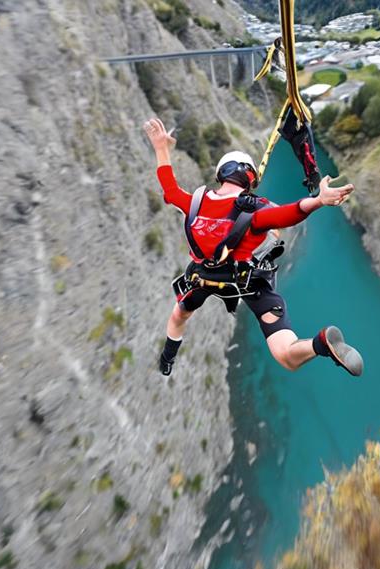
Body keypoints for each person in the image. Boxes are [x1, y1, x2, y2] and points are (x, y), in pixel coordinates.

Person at [143, 117, 363, 378]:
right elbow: (289, 213)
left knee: (179, 316)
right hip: (248, 282)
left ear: (221, 174)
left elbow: (169, 188)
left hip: (202, 278)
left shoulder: (193, 203)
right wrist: (319, 200)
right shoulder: (256, 210)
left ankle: (167, 359)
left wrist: (161, 148)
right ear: (249, 177)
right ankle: (320, 344)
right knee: (286, 355)